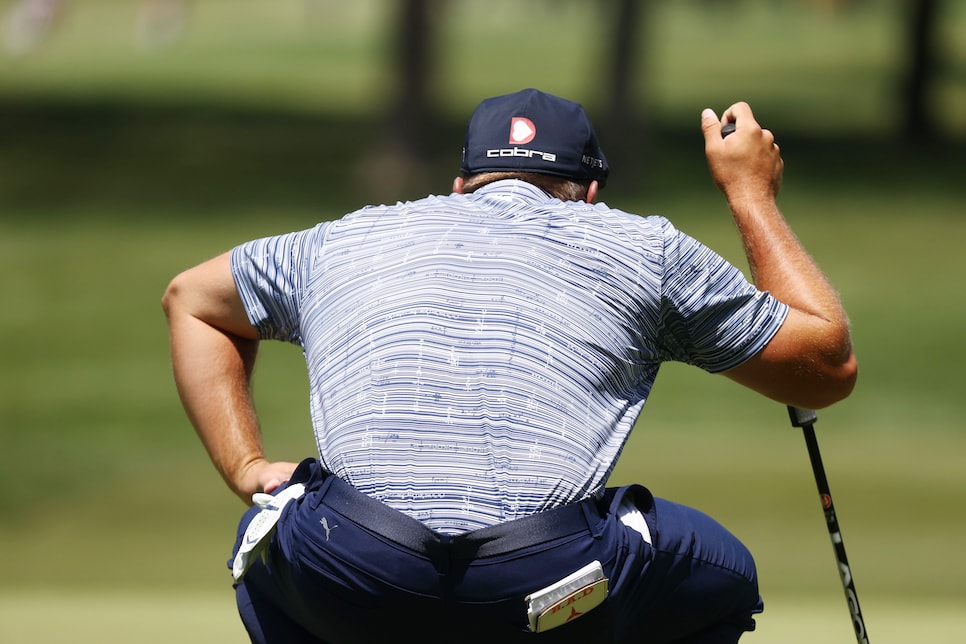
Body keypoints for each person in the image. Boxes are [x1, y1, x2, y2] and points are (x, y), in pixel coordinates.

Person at [163, 88, 856, 643]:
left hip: (347, 562)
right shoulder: (641, 248)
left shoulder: (345, 238)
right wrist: (750, 192)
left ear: (462, 183)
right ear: (589, 194)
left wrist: (246, 469)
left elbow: (191, 298)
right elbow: (823, 368)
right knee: (722, 583)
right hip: (548, 580)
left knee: (270, 536)